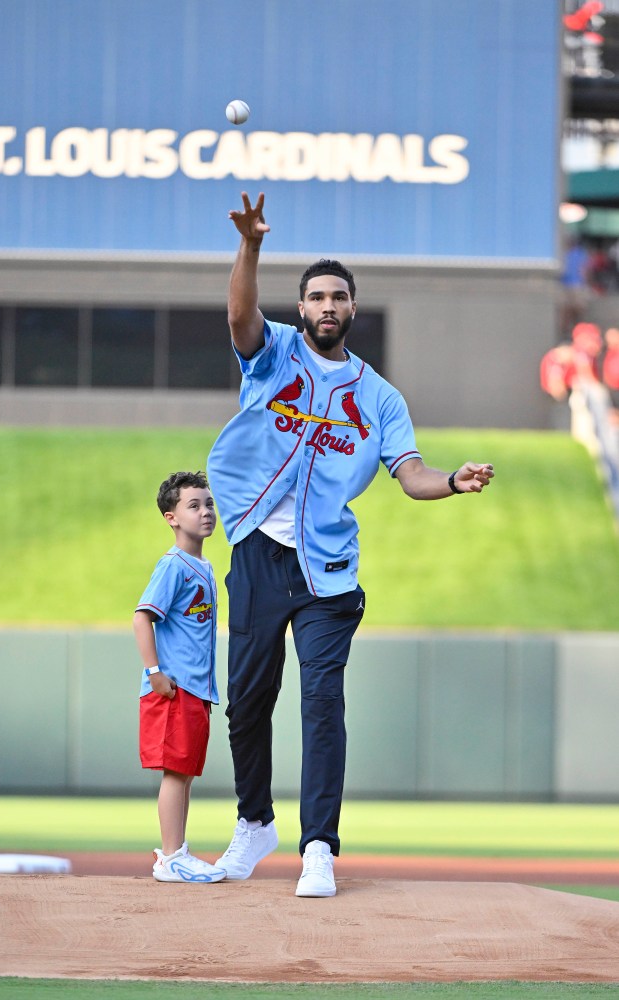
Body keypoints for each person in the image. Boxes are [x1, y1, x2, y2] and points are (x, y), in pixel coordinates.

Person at [207, 192, 494, 898]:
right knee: (245, 701)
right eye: (315, 297)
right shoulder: (271, 355)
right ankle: (253, 824)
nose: (326, 305)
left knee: (320, 702)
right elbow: (239, 316)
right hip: (256, 554)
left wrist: (450, 482)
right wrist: (249, 247)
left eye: (337, 296)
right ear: (301, 308)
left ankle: (317, 848)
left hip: (327, 571)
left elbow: (411, 474)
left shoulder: (380, 398)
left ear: (352, 310)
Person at [133, 471, 226, 883]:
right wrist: (155, 673)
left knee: (184, 772)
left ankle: (177, 852)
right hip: (174, 687)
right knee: (175, 771)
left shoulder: (202, 564)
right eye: (194, 505)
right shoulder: (173, 566)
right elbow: (142, 618)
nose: (205, 512)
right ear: (171, 517)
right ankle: (170, 856)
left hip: (195, 688)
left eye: (208, 503)